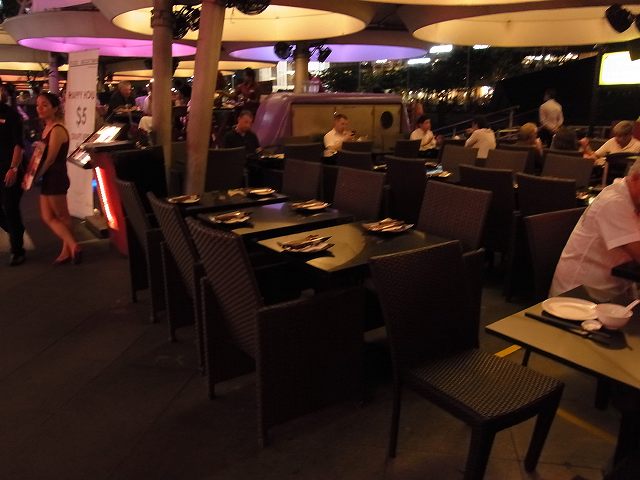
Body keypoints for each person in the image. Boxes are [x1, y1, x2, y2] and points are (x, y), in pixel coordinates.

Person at [550, 160, 640, 302]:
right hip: (578, 300)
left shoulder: (632, 199)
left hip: (612, 296)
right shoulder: (614, 202)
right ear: (635, 178)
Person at [36, 92, 81, 265]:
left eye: (44, 105)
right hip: (49, 177)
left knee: (62, 216)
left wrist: (36, 175)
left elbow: (50, 159)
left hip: (55, 177)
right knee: (48, 216)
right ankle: (72, 246)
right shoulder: (47, 127)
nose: (40, 108)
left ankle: (68, 249)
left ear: (55, 108)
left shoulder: (57, 129)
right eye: (38, 105)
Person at [0, 80, 26, 266]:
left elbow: (19, 145)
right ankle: (16, 230)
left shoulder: (11, 115)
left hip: (10, 169)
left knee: (10, 208)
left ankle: (17, 250)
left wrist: (14, 168)